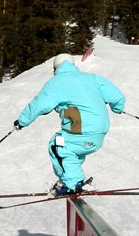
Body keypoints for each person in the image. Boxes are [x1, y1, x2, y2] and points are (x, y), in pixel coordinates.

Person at [14, 53, 126, 195]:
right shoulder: (92, 78)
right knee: (72, 150)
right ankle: (69, 180)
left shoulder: (57, 82)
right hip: (99, 134)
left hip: (81, 130)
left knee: (57, 144)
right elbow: (116, 96)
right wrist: (118, 108)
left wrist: (22, 122)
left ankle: (72, 182)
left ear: (55, 69)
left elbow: (39, 104)